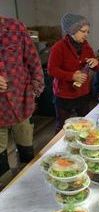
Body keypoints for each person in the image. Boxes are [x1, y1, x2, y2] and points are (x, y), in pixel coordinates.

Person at [0, 16, 44, 183]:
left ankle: (28, 185)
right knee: (0, 160)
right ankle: (5, 195)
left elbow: (33, 61)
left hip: (21, 101)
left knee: (26, 150)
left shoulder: (15, 27)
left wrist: (34, 91)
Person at [48, 13, 99, 133]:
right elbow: (51, 70)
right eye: (83, 31)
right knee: (63, 127)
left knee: (85, 124)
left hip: (82, 94)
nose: (86, 35)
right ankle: (60, 150)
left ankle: (83, 147)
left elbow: (97, 68)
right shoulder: (58, 47)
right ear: (73, 30)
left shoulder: (86, 47)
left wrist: (96, 62)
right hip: (63, 95)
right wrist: (72, 76)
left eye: (88, 32)